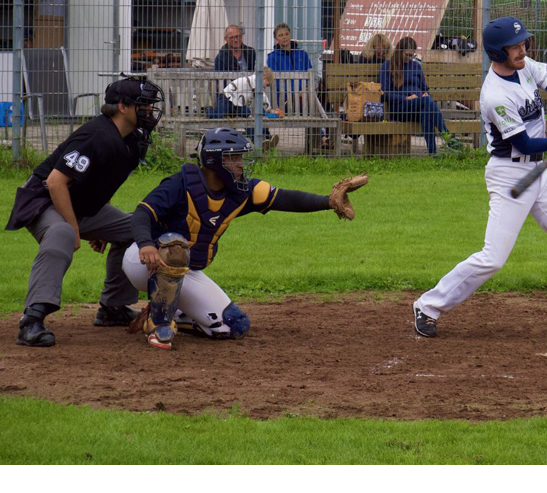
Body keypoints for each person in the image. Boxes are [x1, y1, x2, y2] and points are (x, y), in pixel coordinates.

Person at [412, 17, 547, 342]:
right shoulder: (494, 96)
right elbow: (522, 143)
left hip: (539, 174)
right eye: (515, 46)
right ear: (497, 52)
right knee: (493, 258)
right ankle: (428, 306)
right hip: (509, 175)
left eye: (523, 44)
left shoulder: (525, 67)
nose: (523, 49)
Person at [122, 127, 367, 350]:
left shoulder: (241, 191)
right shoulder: (180, 184)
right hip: (143, 261)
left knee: (234, 325)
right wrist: (145, 244)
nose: (240, 164)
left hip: (183, 271)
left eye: (240, 157)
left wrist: (328, 201)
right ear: (214, 161)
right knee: (175, 245)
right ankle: (158, 324)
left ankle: (171, 311)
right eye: (233, 158)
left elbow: (285, 198)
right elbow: (142, 212)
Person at [5, 77, 164, 347]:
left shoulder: (132, 141)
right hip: (43, 199)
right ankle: (31, 320)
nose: (149, 111)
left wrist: (99, 218)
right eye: (143, 105)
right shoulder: (96, 136)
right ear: (123, 107)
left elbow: (105, 181)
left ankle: (113, 307)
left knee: (135, 229)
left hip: (78, 203)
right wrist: (77, 228)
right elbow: (56, 182)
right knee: (62, 233)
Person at [379, 37, 459, 154]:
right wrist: (405, 98)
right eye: (407, 55)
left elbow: (424, 88)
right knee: (426, 102)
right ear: (400, 51)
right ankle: (449, 138)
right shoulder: (387, 66)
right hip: (400, 109)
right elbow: (384, 93)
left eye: (412, 55)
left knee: (426, 110)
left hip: (418, 106)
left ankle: (433, 153)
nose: (409, 58)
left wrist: (426, 93)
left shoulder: (416, 66)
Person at [212, 25, 276, 149]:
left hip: (247, 96)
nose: (236, 40)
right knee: (246, 113)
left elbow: (255, 76)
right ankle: (261, 141)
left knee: (253, 111)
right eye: (232, 38)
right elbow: (219, 83)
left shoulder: (250, 52)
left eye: (238, 37)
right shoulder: (221, 57)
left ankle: (266, 139)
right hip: (230, 98)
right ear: (226, 39)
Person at [222, 67, 283, 152]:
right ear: (264, 77)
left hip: (237, 105)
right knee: (247, 115)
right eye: (267, 84)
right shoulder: (254, 81)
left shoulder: (256, 83)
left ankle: (268, 138)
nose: (266, 87)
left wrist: (269, 110)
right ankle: (260, 142)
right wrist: (269, 109)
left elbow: (262, 97)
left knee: (254, 114)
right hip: (227, 101)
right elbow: (262, 97)